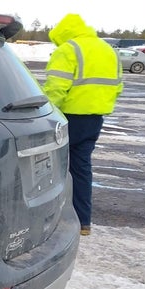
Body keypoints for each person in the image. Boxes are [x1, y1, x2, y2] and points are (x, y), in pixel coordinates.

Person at [42, 14, 122, 237]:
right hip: (95, 118)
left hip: (67, 118)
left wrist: (44, 116)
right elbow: (118, 86)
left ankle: (50, 220)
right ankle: (83, 221)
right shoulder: (108, 49)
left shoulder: (68, 50)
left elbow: (56, 88)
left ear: (62, 33)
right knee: (81, 169)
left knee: (51, 171)